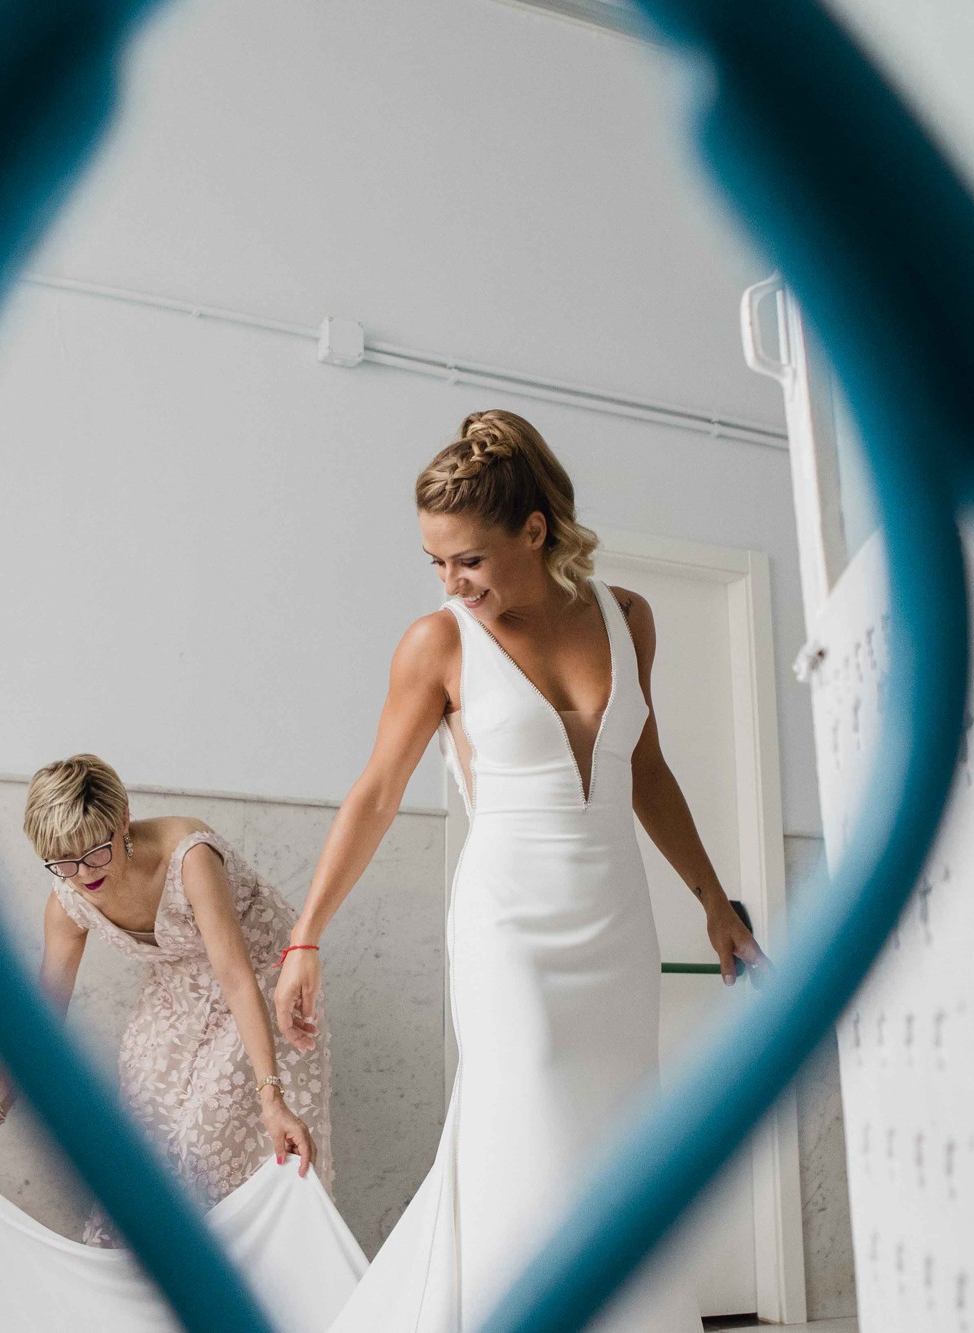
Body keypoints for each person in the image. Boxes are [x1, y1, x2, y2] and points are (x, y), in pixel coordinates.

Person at [275, 410, 767, 1330]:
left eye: (468, 559)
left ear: (534, 531)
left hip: (615, 918)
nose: (451, 583)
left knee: (616, 1135)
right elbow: (377, 791)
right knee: (525, 1121)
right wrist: (307, 936)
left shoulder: (628, 619)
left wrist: (713, 900)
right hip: (510, 920)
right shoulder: (439, 643)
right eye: (435, 562)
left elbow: (644, 767)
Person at [0, 754, 328, 1245]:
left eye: (96, 852)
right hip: (175, 995)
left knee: (209, 1152)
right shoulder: (68, 898)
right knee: (140, 1155)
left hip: (261, 985)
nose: (83, 874)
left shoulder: (189, 857)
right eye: (63, 862)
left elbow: (235, 978)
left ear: (123, 819)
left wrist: (272, 1097)